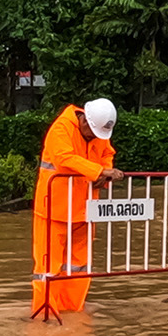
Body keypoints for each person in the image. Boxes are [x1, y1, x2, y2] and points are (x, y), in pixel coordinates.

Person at [33, 98, 124, 318]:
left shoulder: (98, 132)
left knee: (79, 266)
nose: (95, 137)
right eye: (93, 132)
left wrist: (105, 170)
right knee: (49, 267)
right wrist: (100, 172)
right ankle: (45, 312)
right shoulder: (62, 128)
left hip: (85, 210)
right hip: (54, 210)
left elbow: (106, 154)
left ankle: (74, 312)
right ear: (84, 121)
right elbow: (63, 157)